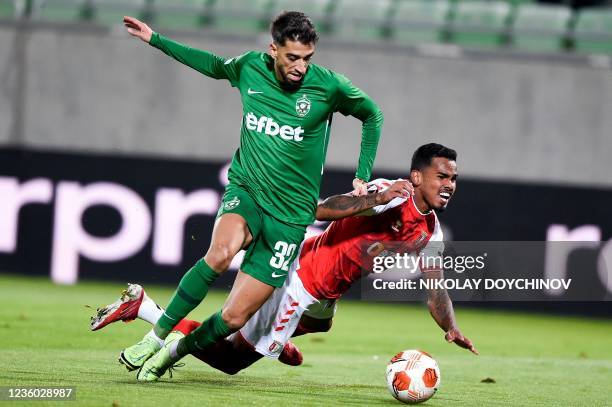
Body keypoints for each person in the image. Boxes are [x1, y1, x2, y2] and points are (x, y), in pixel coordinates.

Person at [120, 11, 386, 381]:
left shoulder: (330, 87)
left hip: (291, 218)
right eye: (292, 57)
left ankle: (171, 354)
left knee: (234, 317)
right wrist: (156, 39)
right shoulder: (249, 68)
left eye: (307, 59)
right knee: (219, 253)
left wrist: (362, 174)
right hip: (247, 191)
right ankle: (154, 336)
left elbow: (373, 116)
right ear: (273, 49)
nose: (300, 67)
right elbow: (213, 65)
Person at [92, 143, 476, 379]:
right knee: (230, 361)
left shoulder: (430, 231)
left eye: (453, 179)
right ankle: (148, 314)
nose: (449, 185)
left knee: (320, 324)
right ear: (417, 175)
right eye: (441, 176)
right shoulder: (389, 194)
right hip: (303, 279)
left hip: (325, 294)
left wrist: (451, 327)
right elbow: (322, 209)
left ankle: (275, 338)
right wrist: (372, 200)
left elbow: (435, 287)